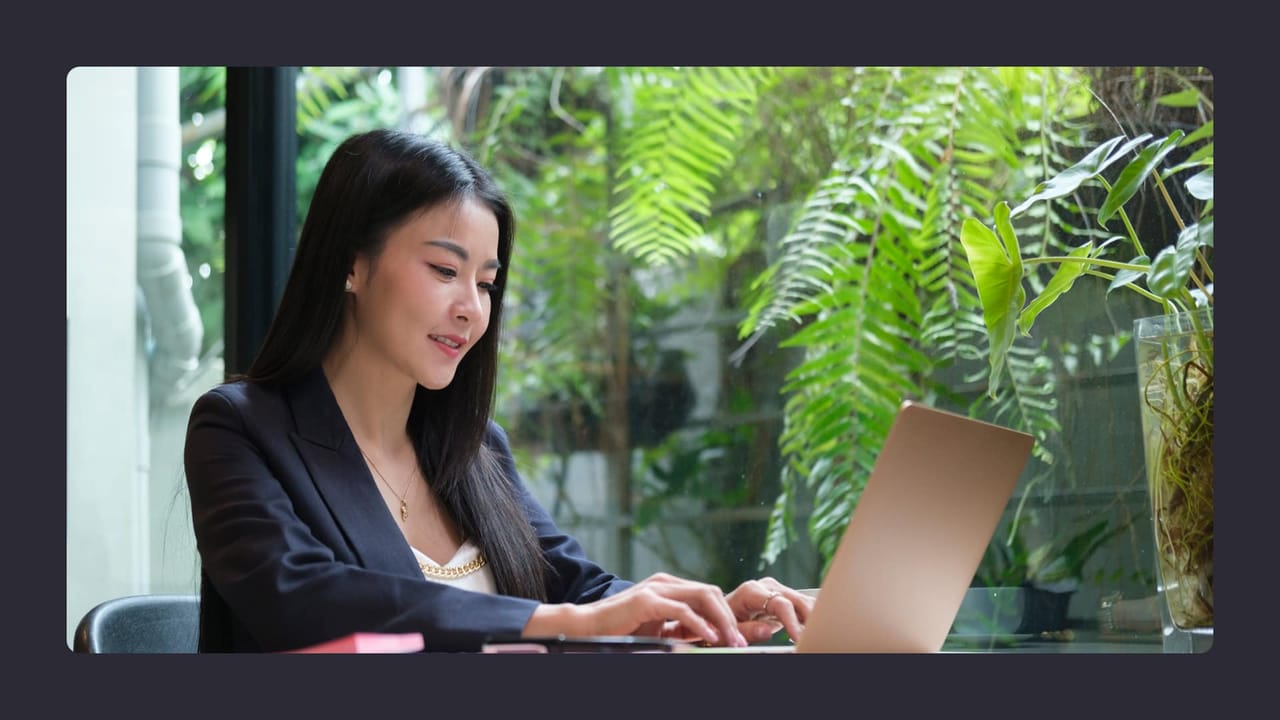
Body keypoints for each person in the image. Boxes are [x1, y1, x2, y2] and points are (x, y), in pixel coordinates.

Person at [183, 128, 815, 653]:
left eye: (486, 284)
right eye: (444, 270)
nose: (471, 310)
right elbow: (303, 600)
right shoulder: (239, 429)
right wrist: (557, 623)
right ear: (352, 263)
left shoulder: (475, 448)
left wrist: (701, 615)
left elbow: (580, 590)